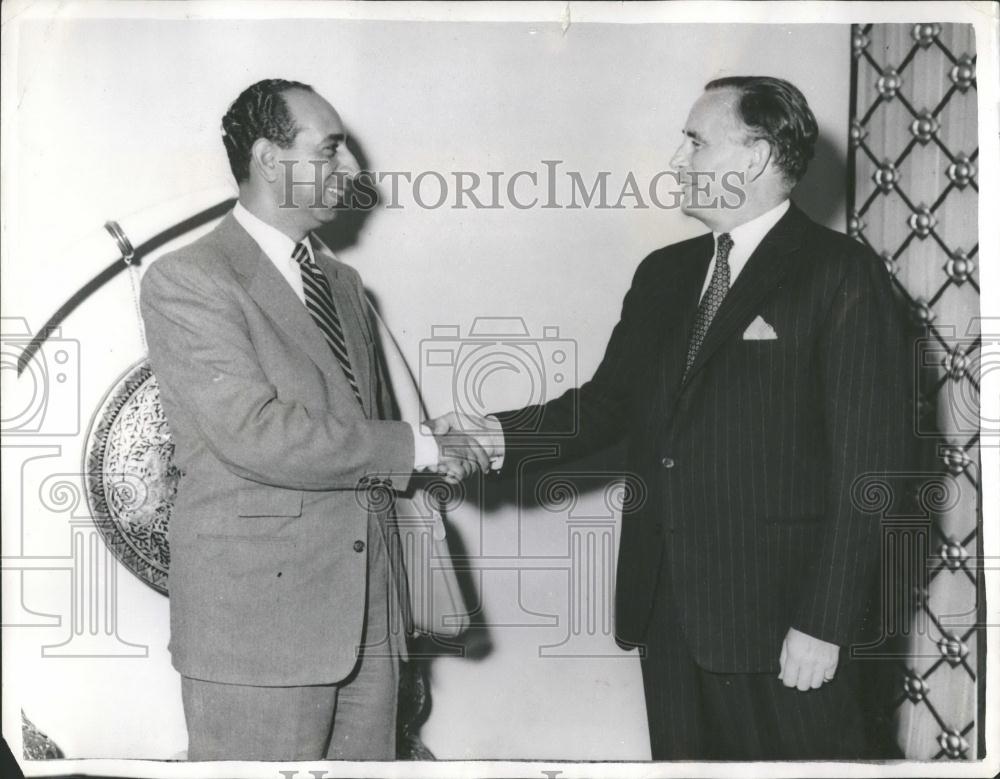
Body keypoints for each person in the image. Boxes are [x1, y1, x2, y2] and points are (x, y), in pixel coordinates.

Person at [432, 76, 911, 759]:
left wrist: (825, 623)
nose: (677, 161)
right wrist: (492, 434)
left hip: (783, 625)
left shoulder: (841, 274)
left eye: (694, 141)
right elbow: (605, 406)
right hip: (669, 610)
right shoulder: (662, 273)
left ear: (752, 157)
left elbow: (873, 468)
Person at [140, 78, 486, 761]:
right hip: (259, 633)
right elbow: (255, 432)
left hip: (368, 620)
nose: (350, 171)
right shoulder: (189, 277)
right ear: (270, 160)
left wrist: (430, 443)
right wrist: (419, 444)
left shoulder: (346, 286)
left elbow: (359, 436)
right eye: (329, 150)